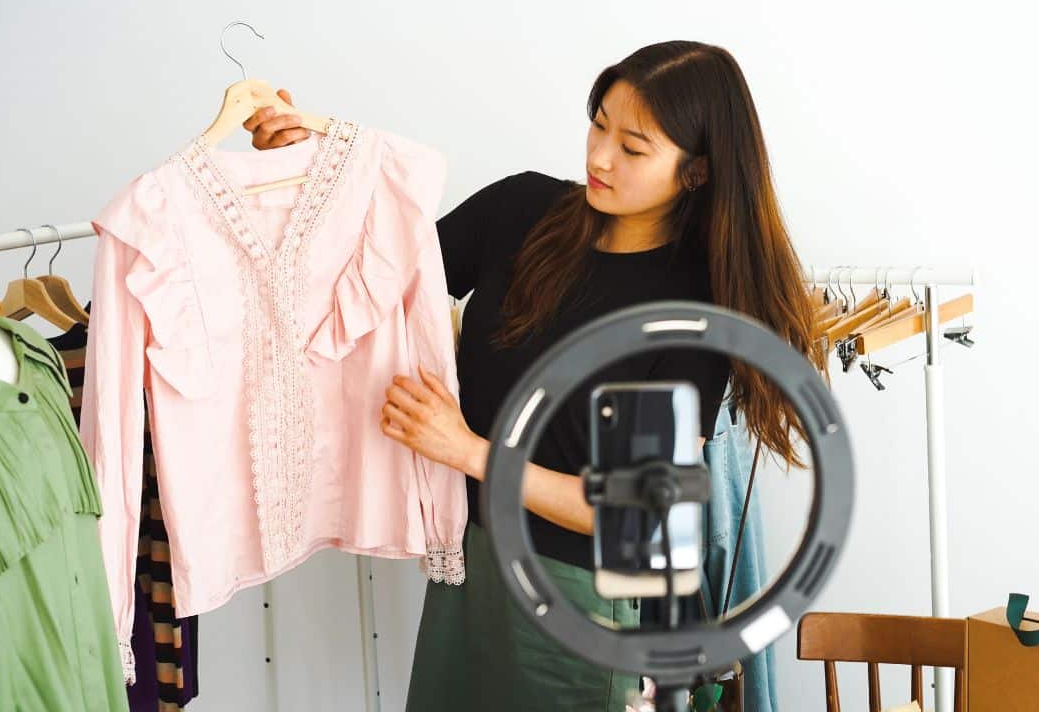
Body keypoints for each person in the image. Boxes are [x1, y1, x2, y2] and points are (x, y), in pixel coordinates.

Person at [245, 40, 824, 711]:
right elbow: (373, 281)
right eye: (599, 124)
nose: (600, 157)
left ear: (696, 172)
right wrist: (305, 170)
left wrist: (467, 451)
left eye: (633, 148)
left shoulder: (691, 311)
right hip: (469, 563)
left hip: (580, 601)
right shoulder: (521, 211)